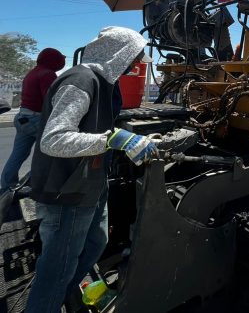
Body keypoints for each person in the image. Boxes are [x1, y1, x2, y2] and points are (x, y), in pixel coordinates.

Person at [25, 27, 159, 313]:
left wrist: (127, 140)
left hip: (90, 184)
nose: (137, 64)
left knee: (97, 242)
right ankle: (47, 303)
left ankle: (65, 295)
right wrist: (112, 139)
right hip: (66, 190)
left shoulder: (104, 82)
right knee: (57, 267)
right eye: (134, 57)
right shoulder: (81, 81)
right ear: (118, 53)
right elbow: (53, 139)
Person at [0, 48, 65, 192]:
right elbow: (51, 100)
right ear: (53, 60)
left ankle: (7, 187)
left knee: (18, 155)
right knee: (51, 153)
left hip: (23, 118)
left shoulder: (33, 72)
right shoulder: (48, 74)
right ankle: (38, 185)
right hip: (36, 119)